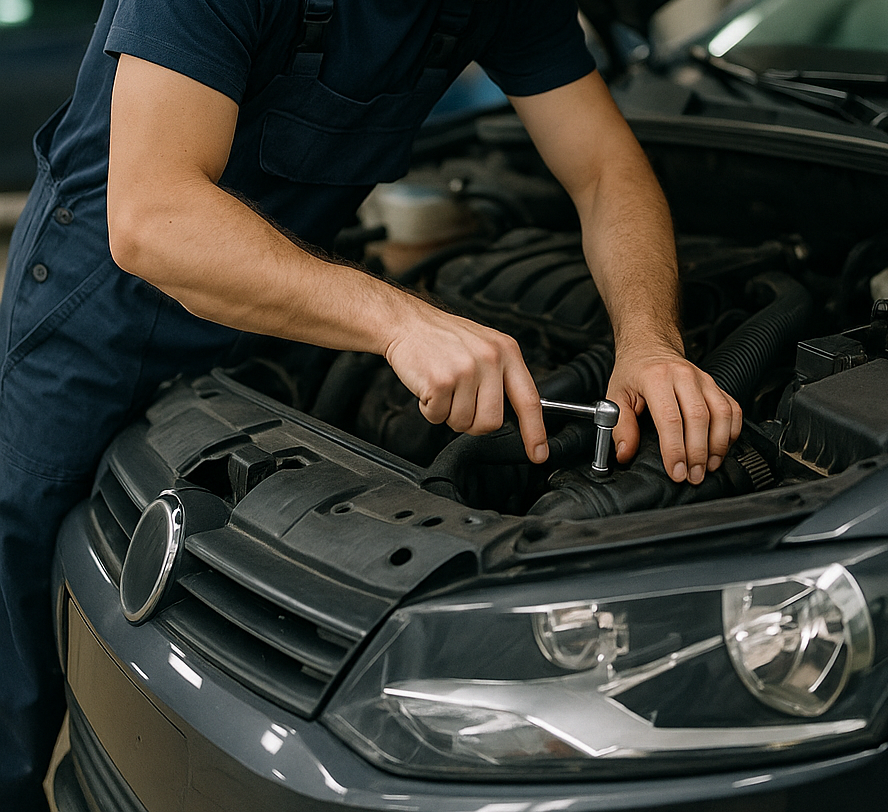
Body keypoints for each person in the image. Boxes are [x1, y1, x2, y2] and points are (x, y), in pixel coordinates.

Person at [0, 0, 741, 807]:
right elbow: (153, 220)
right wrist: (398, 319)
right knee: (17, 634)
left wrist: (649, 338)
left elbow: (605, 169)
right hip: (96, 319)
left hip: (276, 313)